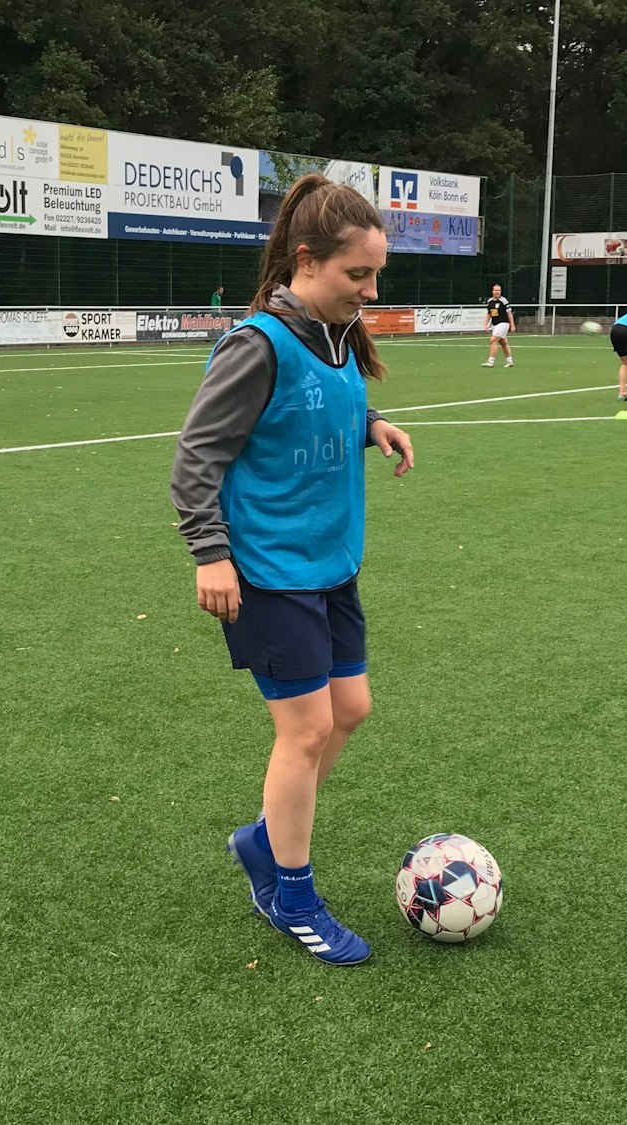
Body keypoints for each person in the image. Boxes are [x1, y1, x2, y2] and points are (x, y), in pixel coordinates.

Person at [171, 173, 416, 967]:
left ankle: (262, 841)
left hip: (331, 564)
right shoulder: (257, 343)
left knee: (351, 709)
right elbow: (196, 457)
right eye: (358, 275)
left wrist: (373, 422)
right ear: (306, 261)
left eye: (376, 275)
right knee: (305, 728)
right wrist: (210, 553)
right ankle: (292, 894)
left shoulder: (336, 336)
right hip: (270, 572)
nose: (370, 290)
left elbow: (317, 407)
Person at [481, 284, 515, 368]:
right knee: (503, 343)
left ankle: (490, 362)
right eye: (495, 290)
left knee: (493, 340)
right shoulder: (490, 301)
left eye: (498, 290)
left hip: (503, 323)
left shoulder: (503, 301)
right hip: (495, 324)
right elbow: (489, 314)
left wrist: (512, 325)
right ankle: (510, 361)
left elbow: (509, 313)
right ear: (492, 291)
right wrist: (486, 325)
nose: (497, 292)